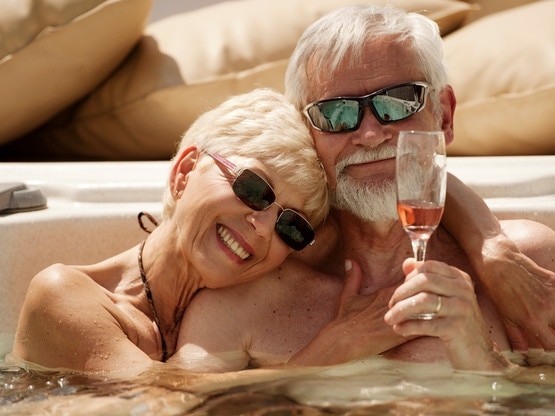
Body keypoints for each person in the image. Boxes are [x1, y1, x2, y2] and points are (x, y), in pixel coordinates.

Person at [170, 5, 555, 372]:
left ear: (445, 115)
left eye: (400, 102)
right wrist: (330, 352)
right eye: (337, 113)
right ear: (308, 134)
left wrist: (482, 359)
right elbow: (182, 405)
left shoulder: (530, 269)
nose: (370, 134)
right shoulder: (244, 301)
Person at [10, 88, 330, 372]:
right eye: (254, 189)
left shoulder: (239, 315)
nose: (262, 228)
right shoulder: (61, 294)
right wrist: (334, 351)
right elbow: (157, 406)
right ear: (185, 172)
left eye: (291, 225)